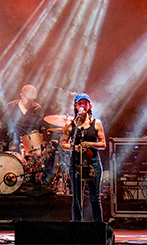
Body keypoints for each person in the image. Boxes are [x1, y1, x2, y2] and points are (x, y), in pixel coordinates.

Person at [61, 93, 106, 222]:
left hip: (93, 163)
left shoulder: (96, 123)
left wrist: (90, 144)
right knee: (76, 198)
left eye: (85, 103)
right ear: (75, 106)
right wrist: (74, 147)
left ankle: (98, 226)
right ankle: (77, 226)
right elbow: (64, 144)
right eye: (80, 103)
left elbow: (103, 144)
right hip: (76, 163)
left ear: (89, 105)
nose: (83, 105)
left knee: (94, 197)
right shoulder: (70, 125)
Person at [0, 84, 45, 153]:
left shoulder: (38, 109)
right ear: (22, 95)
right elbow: (4, 121)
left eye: (32, 99)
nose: (31, 102)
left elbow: (41, 127)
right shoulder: (11, 106)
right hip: (14, 140)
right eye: (28, 99)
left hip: (31, 143)